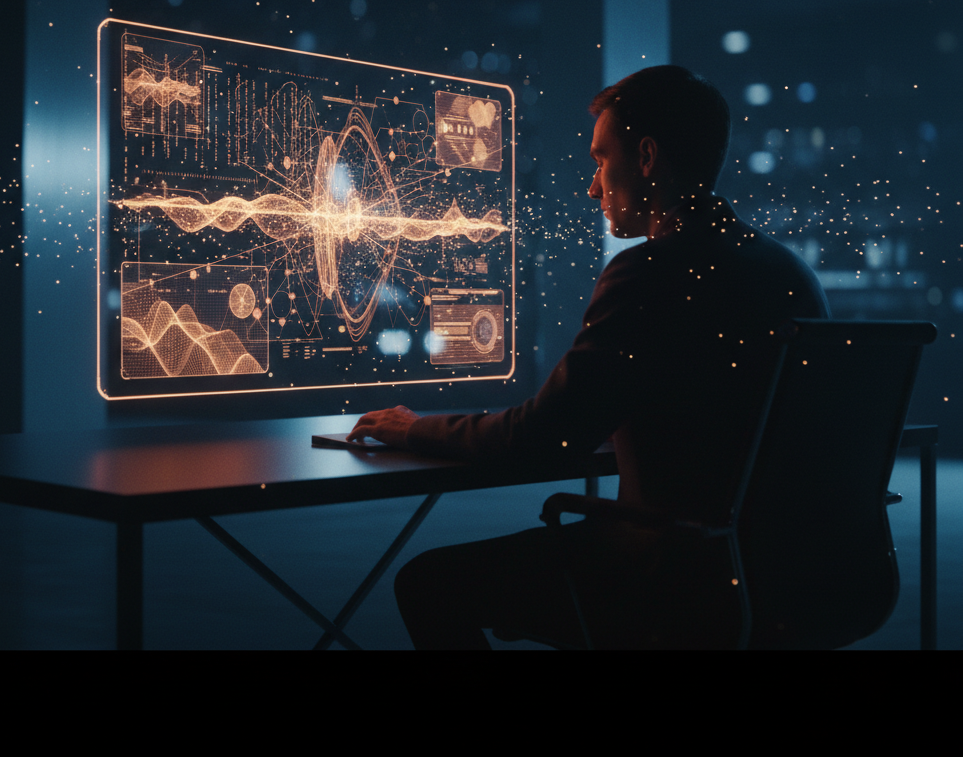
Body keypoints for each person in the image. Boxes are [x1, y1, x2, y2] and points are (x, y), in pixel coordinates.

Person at [348, 65, 830, 648]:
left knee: (428, 584)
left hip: (673, 574)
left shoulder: (650, 274)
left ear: (647, 157)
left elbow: (539, 437)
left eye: (602, 161)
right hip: (796, 572)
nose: (593, 187)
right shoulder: (789, 273)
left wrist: (414, 429)